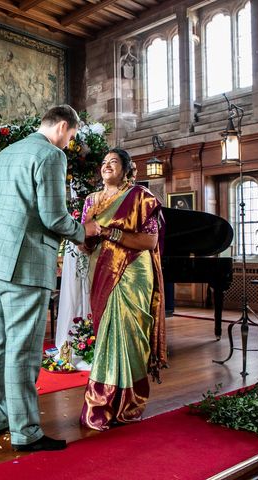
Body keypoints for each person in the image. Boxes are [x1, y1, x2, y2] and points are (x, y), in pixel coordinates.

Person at [0, 105, 101, 452]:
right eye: (71, 136)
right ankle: (25, 432)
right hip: (23, 261)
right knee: (24, 349)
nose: (69, 144)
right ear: (61, 126)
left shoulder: (4, 155)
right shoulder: (51, 155)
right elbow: (54, 216)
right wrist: (84, 230)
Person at [78, 148, 167, 431]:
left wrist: (108, 232)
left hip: (133, 272)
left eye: (113, 162)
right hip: (101, 270)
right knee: (106, 332)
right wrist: (82, 238)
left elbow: (150, 242)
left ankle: (129, 402)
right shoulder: (91, 201)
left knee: (130, 333)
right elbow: (85, 241)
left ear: (127, 169)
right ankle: (101, 403)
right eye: (104, 163)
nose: (106, 166)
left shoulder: (141, 197)